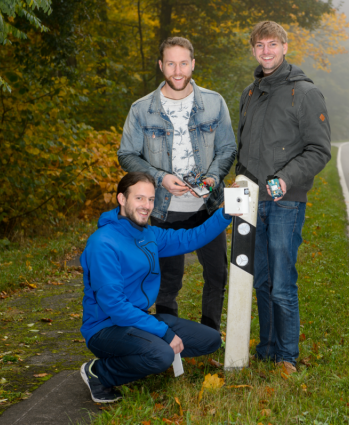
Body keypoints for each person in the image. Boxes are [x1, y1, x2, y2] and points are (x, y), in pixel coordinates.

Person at [79, 172, 233, 403]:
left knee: (210, 339)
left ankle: (143, 355)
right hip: (105, 328)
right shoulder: (103, 243)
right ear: (122, 199)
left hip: (136, 320)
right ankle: (99, 373)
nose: (147, 206)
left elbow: (190, 238)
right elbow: (115, 306)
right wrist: (164, 333)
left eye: (151, 199)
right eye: (139, 198)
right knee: (162, 354)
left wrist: (225, 213)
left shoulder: (149, 234)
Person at [118, 37, 236, 331]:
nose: (178, 70)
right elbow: (126, 154)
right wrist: (161, 178)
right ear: (161, 65)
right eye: (171, 63)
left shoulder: (214, 102)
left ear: (193, 64)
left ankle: (209, 335)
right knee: (167, 281)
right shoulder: (142, 109)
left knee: (217, 274)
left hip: (207, 206)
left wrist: (213, 177)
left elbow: (227, 149)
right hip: (163, 209)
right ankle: (170, 341)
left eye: (183, 63)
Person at [236, 21, 332, 372]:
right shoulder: (249, 94)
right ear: (253, 50)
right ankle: (267, 349)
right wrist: (238, 184)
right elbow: (245, 149)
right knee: (261, 280)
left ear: (285, 47)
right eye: (260, 45)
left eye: (272, 44)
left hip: (285, 202)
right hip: (252, 203)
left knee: (281, 283)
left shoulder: (304, 93)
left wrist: (285, 179)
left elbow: (319, 149)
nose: (266, 51)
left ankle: (287, 357)